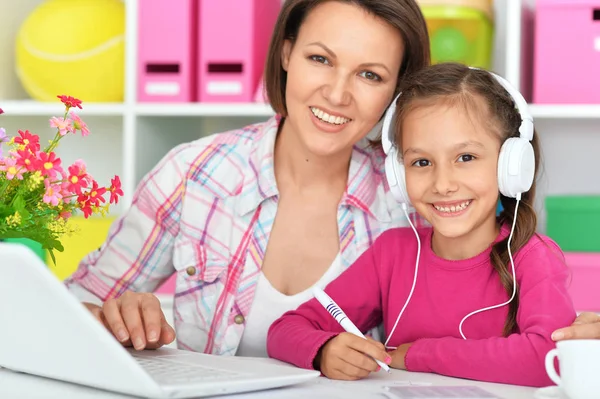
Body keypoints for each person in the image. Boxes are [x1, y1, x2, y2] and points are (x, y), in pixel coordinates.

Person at [64, 0, 431, 355]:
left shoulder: (412, 204)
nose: (337, 94)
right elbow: (74, 305)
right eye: (320, 59)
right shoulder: (193, 173)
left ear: (397, 90)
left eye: (370, 75)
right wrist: (116, 317)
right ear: (287, 53)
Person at [266, 63, 578, 387]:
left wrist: (418, 355)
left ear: (510, 165)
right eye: (421, 162)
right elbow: (285, 330)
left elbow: (549, 359)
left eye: (466, 157)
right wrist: (324, 350)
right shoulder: (393, 253)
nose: (443, 184)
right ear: (399, 177)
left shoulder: (532, 256)